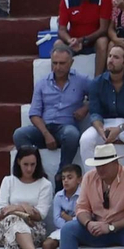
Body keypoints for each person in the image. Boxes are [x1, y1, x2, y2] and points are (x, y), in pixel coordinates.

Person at [16, 45, 91, 179]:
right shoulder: (42, 83)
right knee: (19, 134)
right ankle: (38, 172)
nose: (58, 67)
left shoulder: (82, 80)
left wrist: (86, 108)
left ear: (71, 62)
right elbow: (34, 114)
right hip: (44, 128)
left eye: (62, 63)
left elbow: (98, 96)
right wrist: (46, 134)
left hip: (66, 129)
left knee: (72, 134)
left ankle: (62, 173)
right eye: (54, 63)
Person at [79, 43, 124, 178]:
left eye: (116, 57)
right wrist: (101, 131)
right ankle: (94, 181)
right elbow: (95, 113)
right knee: (85, 139)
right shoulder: (97, 82)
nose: (110, 60)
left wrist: (120, 129)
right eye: (110, 56)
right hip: (103, 122)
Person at [0, 146, 53, 249]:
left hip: (34, 228)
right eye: (26, 164)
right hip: (5, 227)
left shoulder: (44, 184)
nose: (29, 168)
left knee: (14, 236)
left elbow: (40, 214)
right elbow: (0, 210)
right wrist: (26, 208)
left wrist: (15, 207)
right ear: (19, 162)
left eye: (33, 165)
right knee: (13, 223)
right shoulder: (8, 181)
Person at [59, 0, 112, 75]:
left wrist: (82, 40)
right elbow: (62, 29)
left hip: (94, 41)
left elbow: (103, 29)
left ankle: (98, 80)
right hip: (74, 41)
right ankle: (57, 84)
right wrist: (70, 40)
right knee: (58, 44)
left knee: (103, 42)